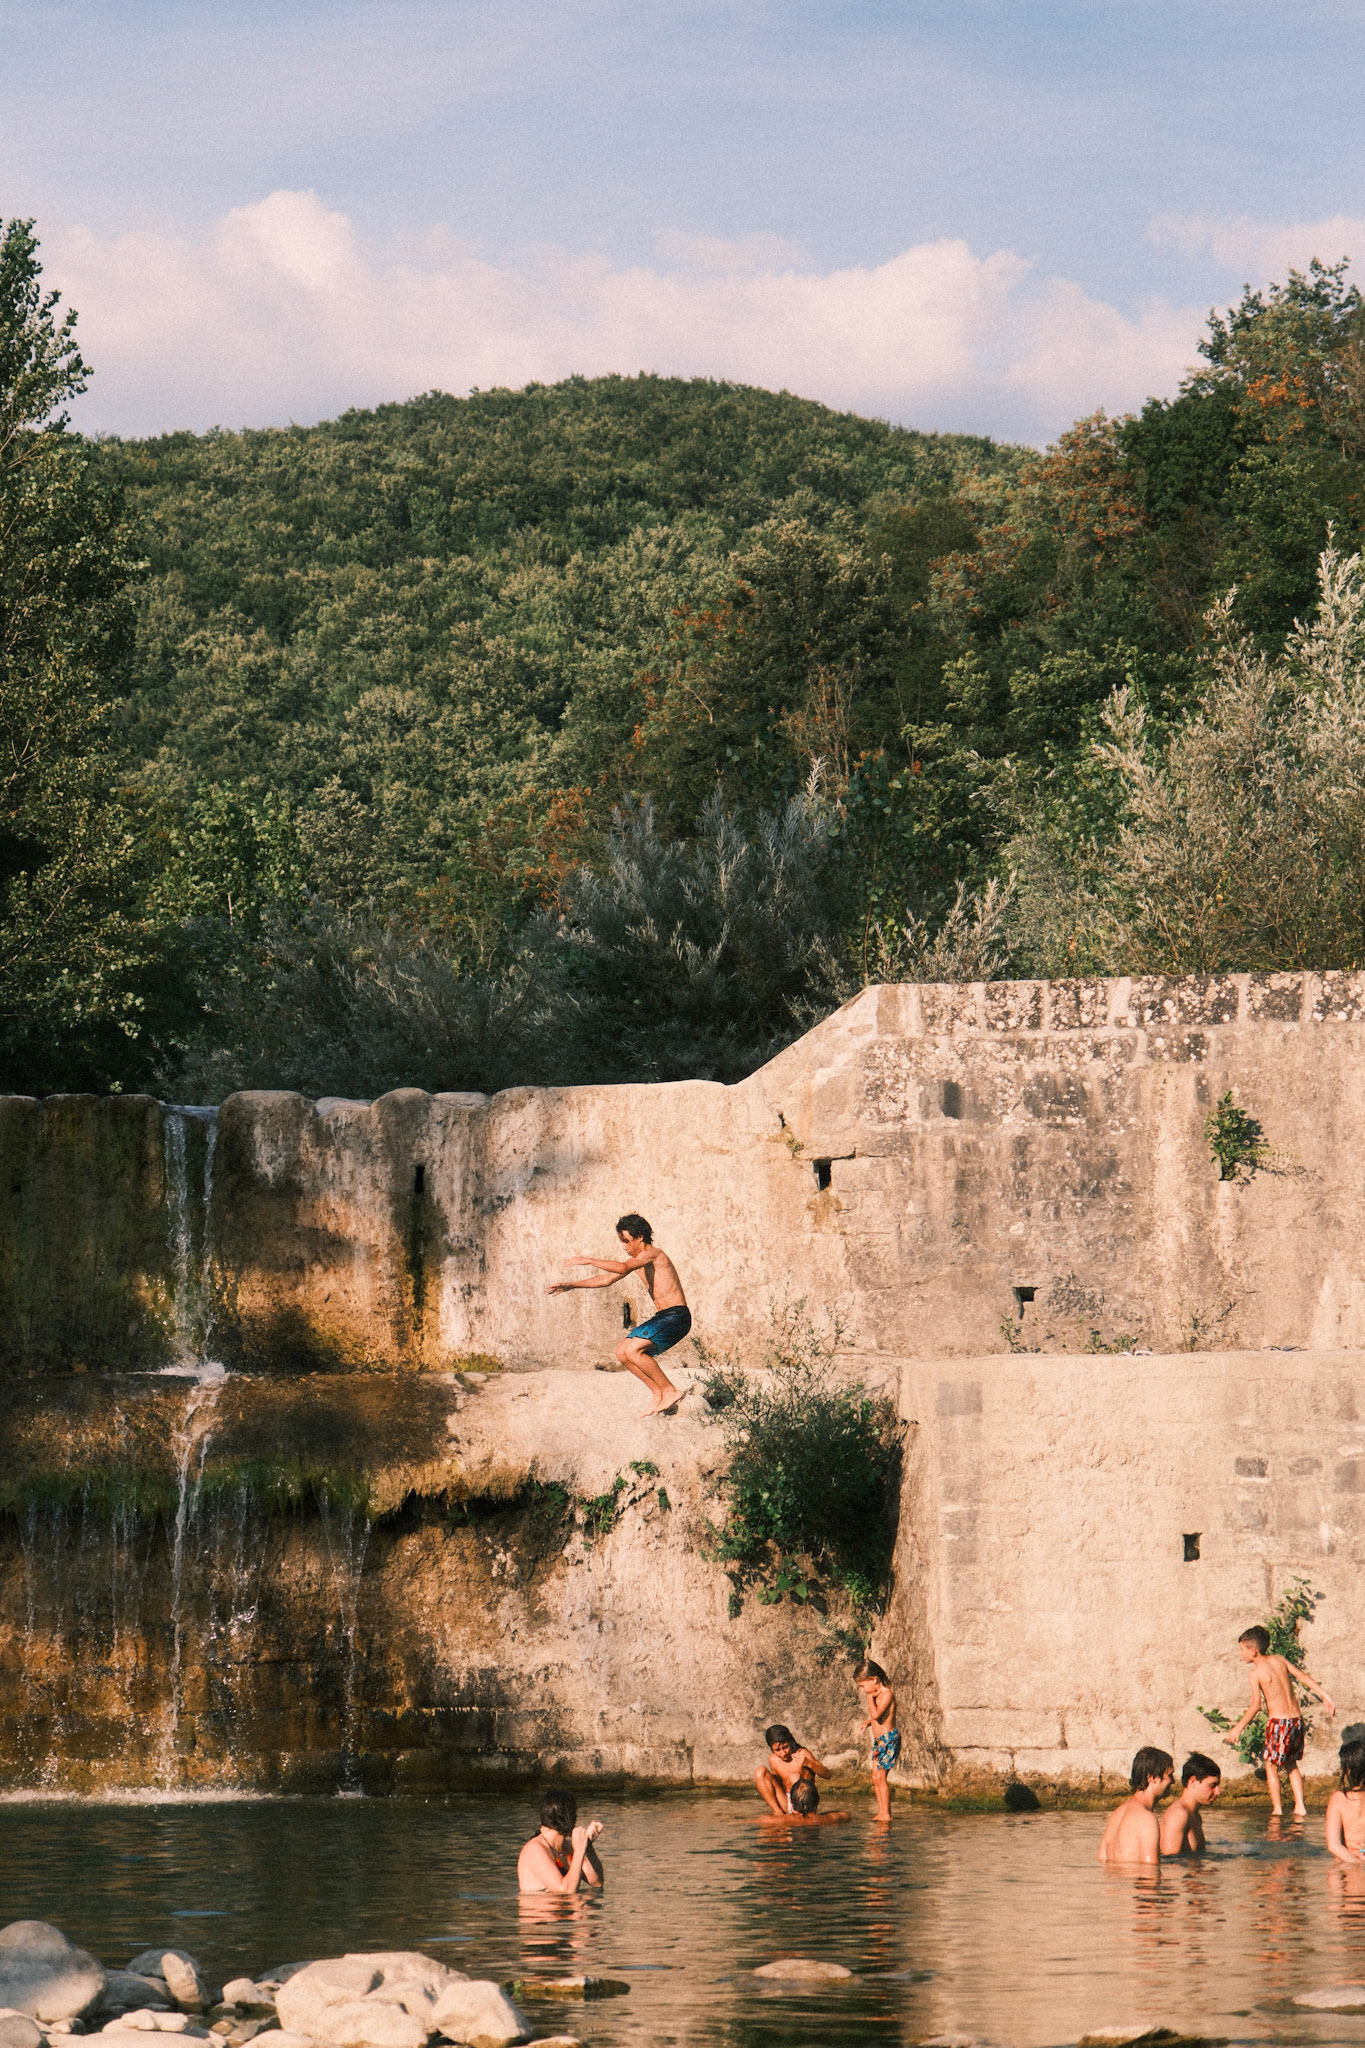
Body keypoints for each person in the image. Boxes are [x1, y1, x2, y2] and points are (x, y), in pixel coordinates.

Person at [547, 1213, 691, 1417]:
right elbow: (607, 1280)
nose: (624, 1246)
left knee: (633, 1350)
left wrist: (587, 1260)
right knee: (622, 1352)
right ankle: (658, 1394)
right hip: (664, 1316)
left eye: (626, 1240)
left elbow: (622, 1267)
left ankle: (670, 1390)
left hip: (676, 1316)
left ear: (639, 1237)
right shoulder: (638, 1261)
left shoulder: (654, 1254)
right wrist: (571, 1285)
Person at [1223, 1623, 1336, 1818]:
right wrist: (1324, 1694)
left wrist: (1238, 1728)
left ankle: (1277, 1809)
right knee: (1291, 1764)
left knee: (1270, 1765)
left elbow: (1256, 1706)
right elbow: (1301, 1676)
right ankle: (1300, 1806)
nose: (1240, 1654)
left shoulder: (1255, 1673)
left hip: (1280, 1723)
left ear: (1254, 1651)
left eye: (1242, 1649)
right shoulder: (1279, 1660)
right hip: (1296, 1721)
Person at [516, 1789, 605, 1894]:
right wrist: (579, 1851)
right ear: (567, 1817)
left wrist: (587, 1845)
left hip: (564, 1908)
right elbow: (566, 1890)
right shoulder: (534, 1849)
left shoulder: (565, 1847)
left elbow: (596, 1882)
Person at [1097, 1747, 1173, 1864]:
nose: (1173, 1781)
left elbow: (1102, 1859)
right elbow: (1150, 1871)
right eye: (1170, 1775)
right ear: (1152, 1778)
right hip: (1134, 1880)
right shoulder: (1146, 1819)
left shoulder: (1117, 1813)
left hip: (1115, 1881)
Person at [853, 1658, 899, 1822]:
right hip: (879, 1741)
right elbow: (877, 1719)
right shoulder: (876, 1695)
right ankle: (881, 1811)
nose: (864, 1690)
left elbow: (876, 1714)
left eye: (863, 1686)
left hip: (888, 1740)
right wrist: (867, 1723)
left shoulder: (887, 1694)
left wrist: (869, 1699)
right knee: (875, 1777)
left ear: (874, 1679)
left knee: (880, 1777)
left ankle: (886, 1814)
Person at [754, 1723, 831, 1816]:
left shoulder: (802, 1754)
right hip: (786, 1802)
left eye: (785, 1747)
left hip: (804, 1803)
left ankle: (800, 1814)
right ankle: (778, 1812)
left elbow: (827, 1775)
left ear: (791, 1742)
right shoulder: (773, 1760)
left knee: (794, 1777)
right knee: (760, 1772)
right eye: (778, 1750)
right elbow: (777, 1786)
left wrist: (809, 1763)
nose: (783, 1753)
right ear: (772, 1749)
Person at [1159, 1753, 1222, 1856]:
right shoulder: (1178, 1816)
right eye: (1212, 1786)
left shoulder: (1195, 1815)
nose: (1218, 1792)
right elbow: (1170, 1864)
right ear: (1192, 1781)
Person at [1326, 1740, 1365, 1865]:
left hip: (1347, 1863)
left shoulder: (1339, 1799)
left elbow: (1333, 1846)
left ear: (1348, 1770)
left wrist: (1357, 1863)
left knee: (1334, 1877)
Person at [758, 1776, 850, 1826]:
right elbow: (846, 1815)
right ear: (818, 1801)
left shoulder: (773, 1820)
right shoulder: (831, 1819)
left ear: (790, 1800)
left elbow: (745, 1823)